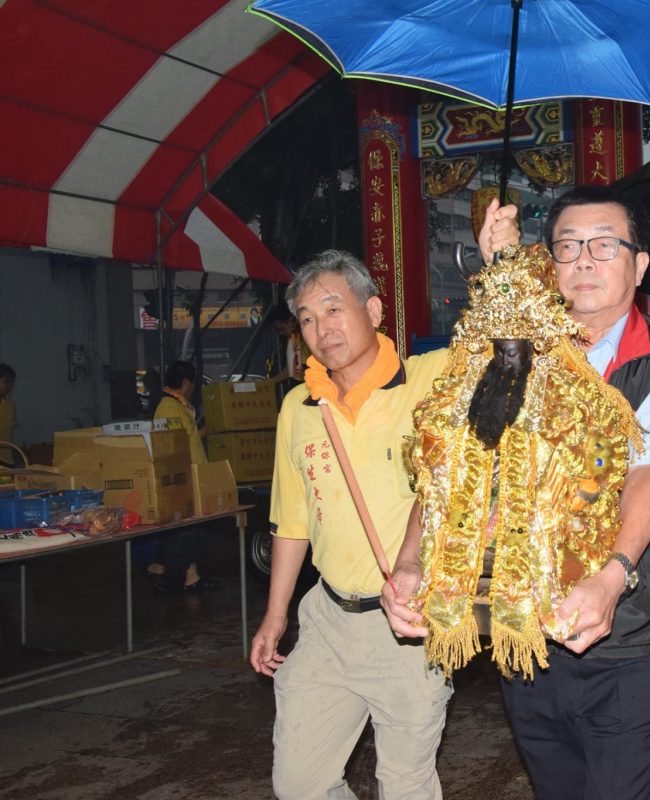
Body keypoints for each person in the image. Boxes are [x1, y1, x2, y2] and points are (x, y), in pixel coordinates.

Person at [463, 187, 650, 799]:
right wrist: (500, 275)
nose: (584, 262)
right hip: (528, 623)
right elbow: (473, 443)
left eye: (604, 245)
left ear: (639, 264)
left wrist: (612, 575)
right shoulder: (522, 351)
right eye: (567, 248)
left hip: (631, 628)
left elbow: (647, 478)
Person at [249, 251, 453, 798]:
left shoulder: (432, 379)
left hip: (406, 630)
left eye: (334, 308)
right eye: (309, 318)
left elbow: (515, 354)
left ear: (376, 309)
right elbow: (292, 521)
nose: (322, 328)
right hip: (327, 621)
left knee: (406, 784)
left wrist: (501, 257)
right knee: (300, 784)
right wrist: (275, 617)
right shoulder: (300, 406)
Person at [149, 361, 220, 592]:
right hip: (183, 477)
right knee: (186, 529)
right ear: (186, 383)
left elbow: (187, 438)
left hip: (191, 475)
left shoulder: (177, 407)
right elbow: (172, 445)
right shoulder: (169, 408)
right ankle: (164, 571)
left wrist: (203, 433)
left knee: (189, 527)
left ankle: (186, 574)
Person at [264, 304, 307, 393]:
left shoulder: (307, 336)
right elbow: (291, 368)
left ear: (291, 321)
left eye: (282, 329)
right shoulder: (293, 338)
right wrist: (270, 382)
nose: (282, 333)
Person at [0, 363, 16, 466]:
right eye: (6, 382)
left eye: (11, 383)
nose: (9, 386)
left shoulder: (10, 405)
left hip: (7, 461)